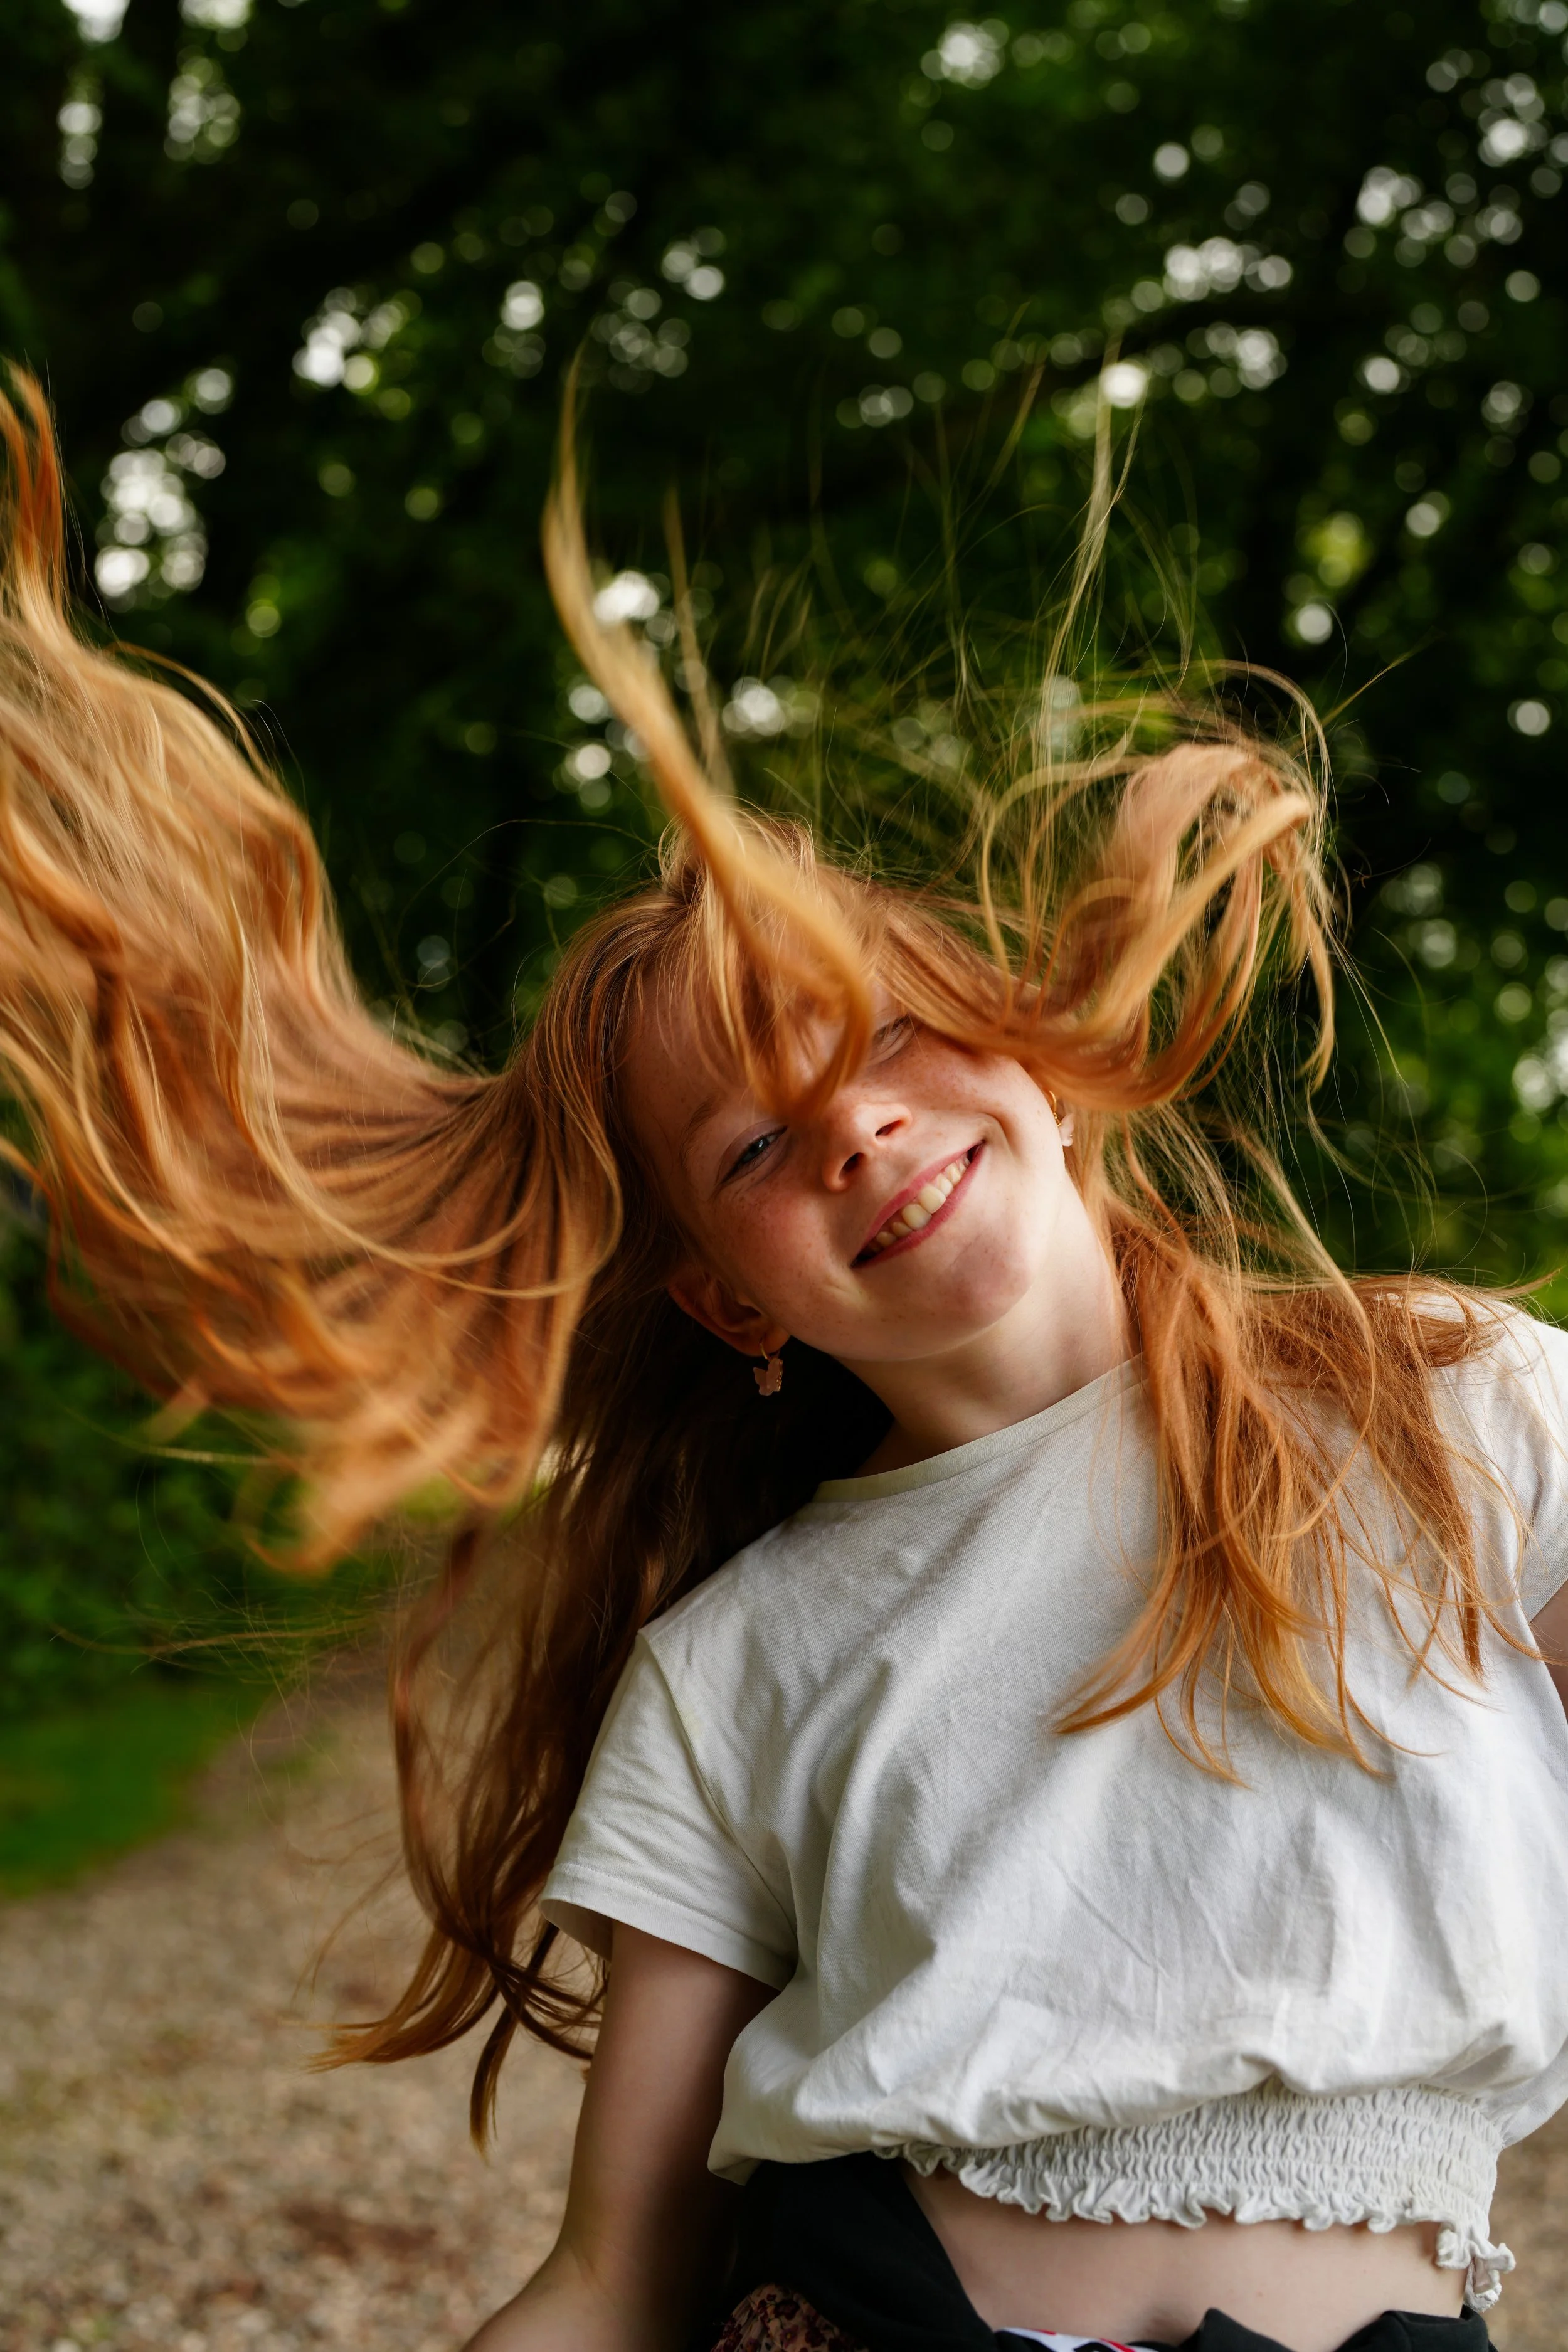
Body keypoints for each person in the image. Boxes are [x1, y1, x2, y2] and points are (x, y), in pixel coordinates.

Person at [0, 366, 1564, 2352]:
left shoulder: (1451, 1403)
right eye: (749, 1146)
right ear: (732, 1301)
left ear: (1037, 1059)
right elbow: (609, 2279)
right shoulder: (736, 1661)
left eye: (885, 1034)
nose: (849, 1126)